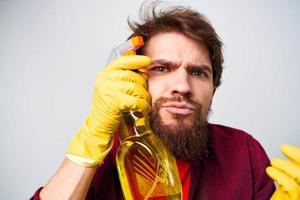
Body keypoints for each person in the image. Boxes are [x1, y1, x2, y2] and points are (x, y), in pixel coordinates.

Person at [31, 2, 300, 200]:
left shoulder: (244, 153)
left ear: (213, 89)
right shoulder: (103, 154)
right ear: (134, 79)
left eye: (198, 73)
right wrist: (90, 143)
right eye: (161, 68)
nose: (182, 87)